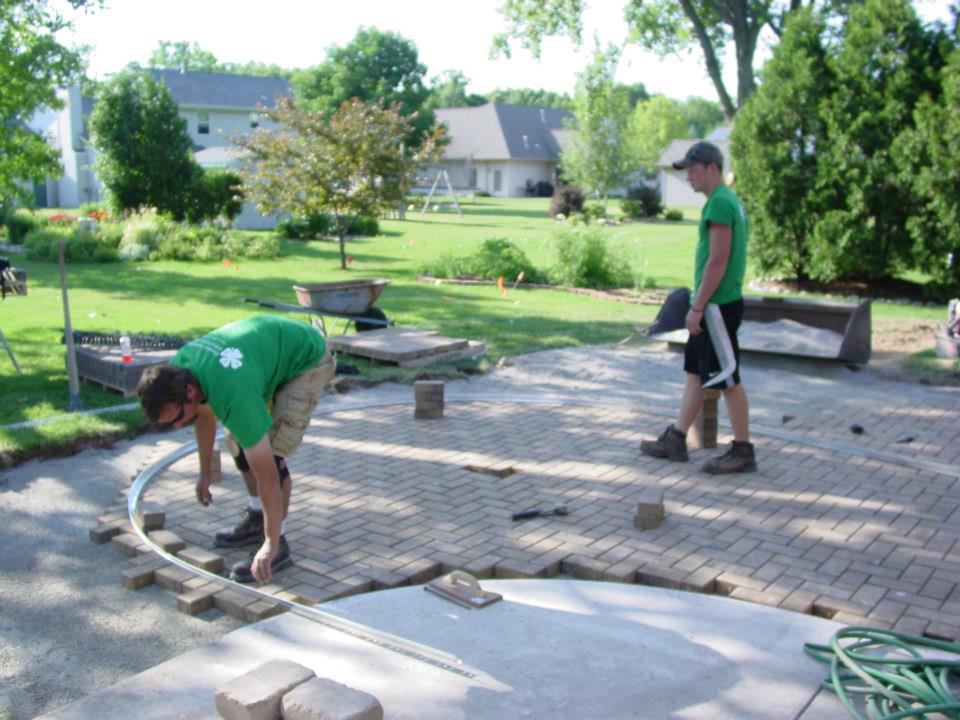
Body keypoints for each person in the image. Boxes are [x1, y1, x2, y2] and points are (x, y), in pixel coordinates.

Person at [137, 315, 335, 583]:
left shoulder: (230, 391)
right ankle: (258, 519)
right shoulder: (182, 369)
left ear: (190, 392)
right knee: (240, 444)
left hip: (306, 359)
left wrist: (269, 544)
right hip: (266, 355)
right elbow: (204, 416)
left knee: (272, 456)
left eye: (175, 419)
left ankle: (278, 545)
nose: (175, 428)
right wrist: (204, 473)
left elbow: (267, 475)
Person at [640, 141, 757, 474]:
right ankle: (676, 438)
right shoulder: (723, 201)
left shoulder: (720, 203)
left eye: (693, 170)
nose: (689, 176)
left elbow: (718, 261)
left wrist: (698, 307)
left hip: (717, 307)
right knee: (695, 374)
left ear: (712, 168)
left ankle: (743, 450)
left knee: (729, 380)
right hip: (713, 306)